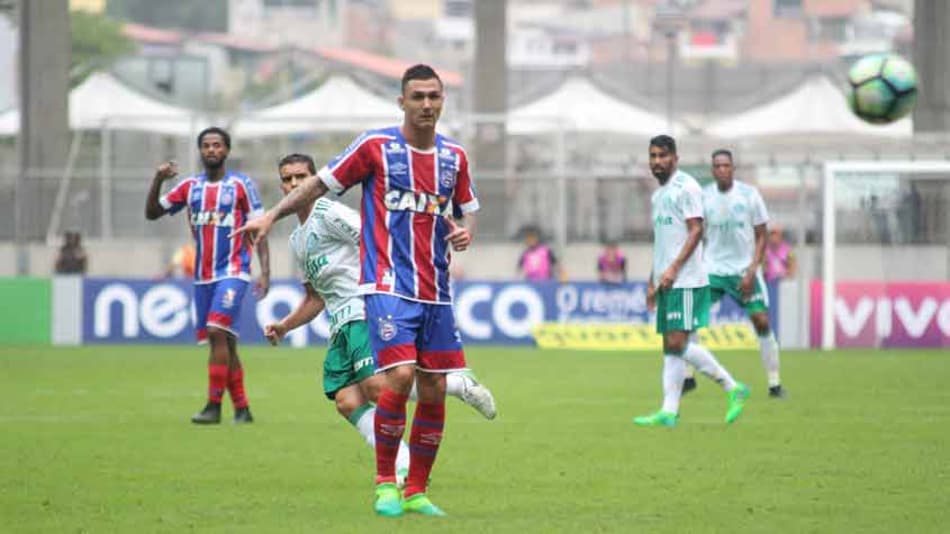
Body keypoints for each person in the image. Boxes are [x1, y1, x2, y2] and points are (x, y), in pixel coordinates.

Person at [233, 65, 476, 517]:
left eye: (434, 96)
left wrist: (464, 232)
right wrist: (270, 217)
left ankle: (417, 491)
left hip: (435, 289)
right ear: (401, 102)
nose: (427, 104)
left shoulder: (454, 157)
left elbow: (466, 209)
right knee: (392, 380)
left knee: (433, 389)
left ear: (443, 101)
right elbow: (321, 184)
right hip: (383, 285)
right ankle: (386, 483)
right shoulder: (374, 147)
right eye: (417, 96)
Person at [262, 154, 496, 485]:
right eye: (288, 179)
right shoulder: (297, 240)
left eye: (302, 177)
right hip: (340, 323)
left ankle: (459, 385)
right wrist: (285, 325)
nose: (295, 184)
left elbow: (374, 237)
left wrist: (382, 287)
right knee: (347, 400)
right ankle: (404, 460)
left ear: (315, 180)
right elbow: (315, 297)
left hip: (364, 307)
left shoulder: (330, 213)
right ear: (281, 184)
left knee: (376, 387)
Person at [145, 126, 270, 425]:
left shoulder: (241, 185)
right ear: (200, 151)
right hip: (202, 277)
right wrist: (158, 180)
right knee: (225, 341)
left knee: (216, 330)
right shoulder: (189, 188)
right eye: (206, 146)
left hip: (234, 271)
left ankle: (213, 407)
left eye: (217, 145)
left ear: (226, 150)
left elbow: (260, 228)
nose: (212, 150)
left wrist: (265, 271)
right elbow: (152, 213)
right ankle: (242, 408)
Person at [633, 135, 749, 428]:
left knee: (677, 342)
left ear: (675, 158)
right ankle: (669, 411)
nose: (657, 161)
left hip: (685, 280)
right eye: (653, 156)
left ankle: (732, 386)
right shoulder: (658, 195)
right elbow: (663, 242)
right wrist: (652, 279)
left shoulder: (687, 188)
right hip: (668, 280)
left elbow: (696, 230)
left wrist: (672, 270)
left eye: (663, 155)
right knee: (670, 346)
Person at [684, 149, 784, 398]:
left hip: (743, 270)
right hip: (712, 269)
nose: (721, 170)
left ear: (733, 168)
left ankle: (774, 383)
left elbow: (761, 235)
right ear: (712, 170)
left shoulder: (750, 195)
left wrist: (752, 270)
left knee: (761, 321)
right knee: (690, 317)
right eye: (717, 166)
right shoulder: (703, 197)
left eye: (726, 165)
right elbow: (695, 233)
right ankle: (688, 377)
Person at [764, 224, 796, 335]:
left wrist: (786, 276)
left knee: (784, 313)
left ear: (780, 236)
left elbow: (792, 268)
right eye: (771, 234)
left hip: (783, 286)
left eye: (775, 234)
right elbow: (762, 268)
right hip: (769, 285)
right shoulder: (765, 250)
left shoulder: (787, 250)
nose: (773, 238)